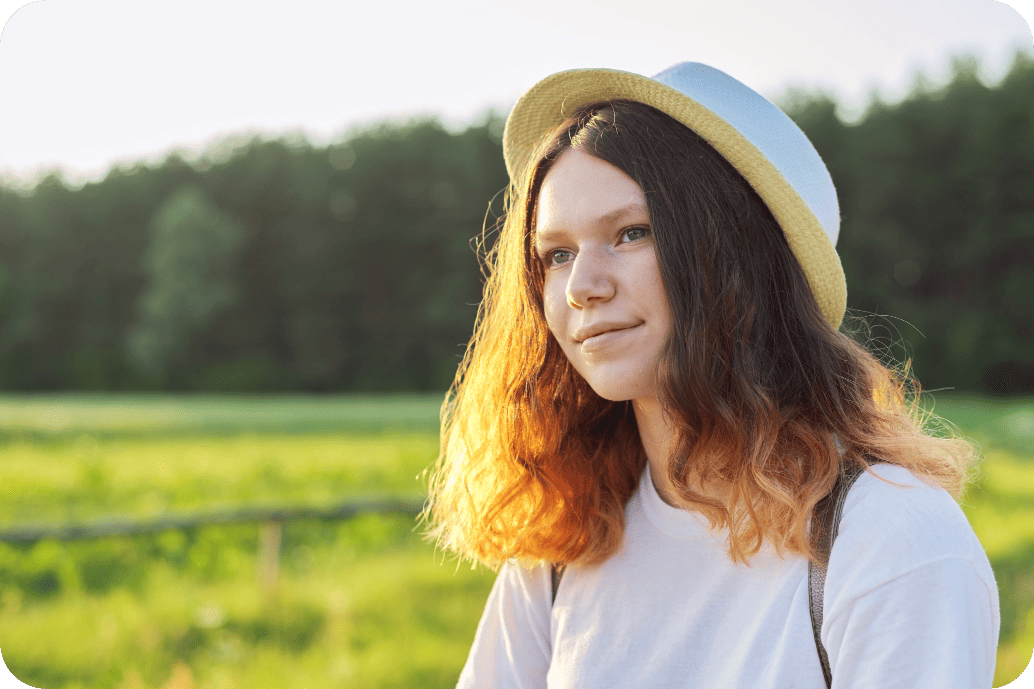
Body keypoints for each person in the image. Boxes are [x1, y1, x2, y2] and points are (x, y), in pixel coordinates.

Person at [422, 62, 1000, 688]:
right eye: (557, 254)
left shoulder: (891, 541)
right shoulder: (565, 548)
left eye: (632, 233)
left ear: (741, 262)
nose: (582, 287)